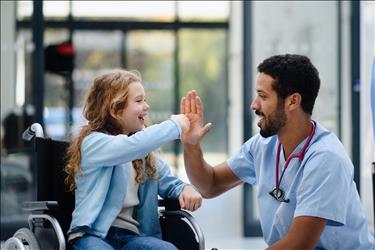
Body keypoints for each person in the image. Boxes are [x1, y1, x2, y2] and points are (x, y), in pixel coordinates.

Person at [181, 54, 374, 249]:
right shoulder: (264, 145)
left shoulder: (326, 158)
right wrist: (191, 145)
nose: (254, 105)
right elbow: (210, 185)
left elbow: (298, 245)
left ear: (293, 101)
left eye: (263, 96)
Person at [64, 69, 202, 250]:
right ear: (115, 109)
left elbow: (169, 182)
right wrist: (175, 125)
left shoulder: (144, 155)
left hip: (132, 237)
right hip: (93, 235)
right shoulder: (94, 143)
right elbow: (131, 147)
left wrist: (186, 188)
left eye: (145, 100)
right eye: (138, 101)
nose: (146, 106)